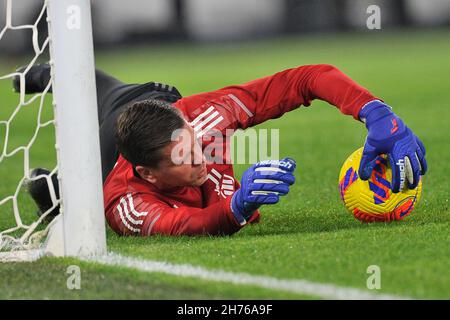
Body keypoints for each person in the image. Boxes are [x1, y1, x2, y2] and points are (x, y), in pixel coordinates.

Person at [15, 63, 427, 236]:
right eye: (186, 159)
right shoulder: (125, 202)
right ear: (150, 175)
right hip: (109, 150)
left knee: (102, 82)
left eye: (195, 147)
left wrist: (375, 112)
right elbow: (183, 226)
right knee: (69, 197)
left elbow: (307, 79)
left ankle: (54, 76)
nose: (201, 158)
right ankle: (51, 186)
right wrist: (237, 208)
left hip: (152, 101)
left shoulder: (204, 120)